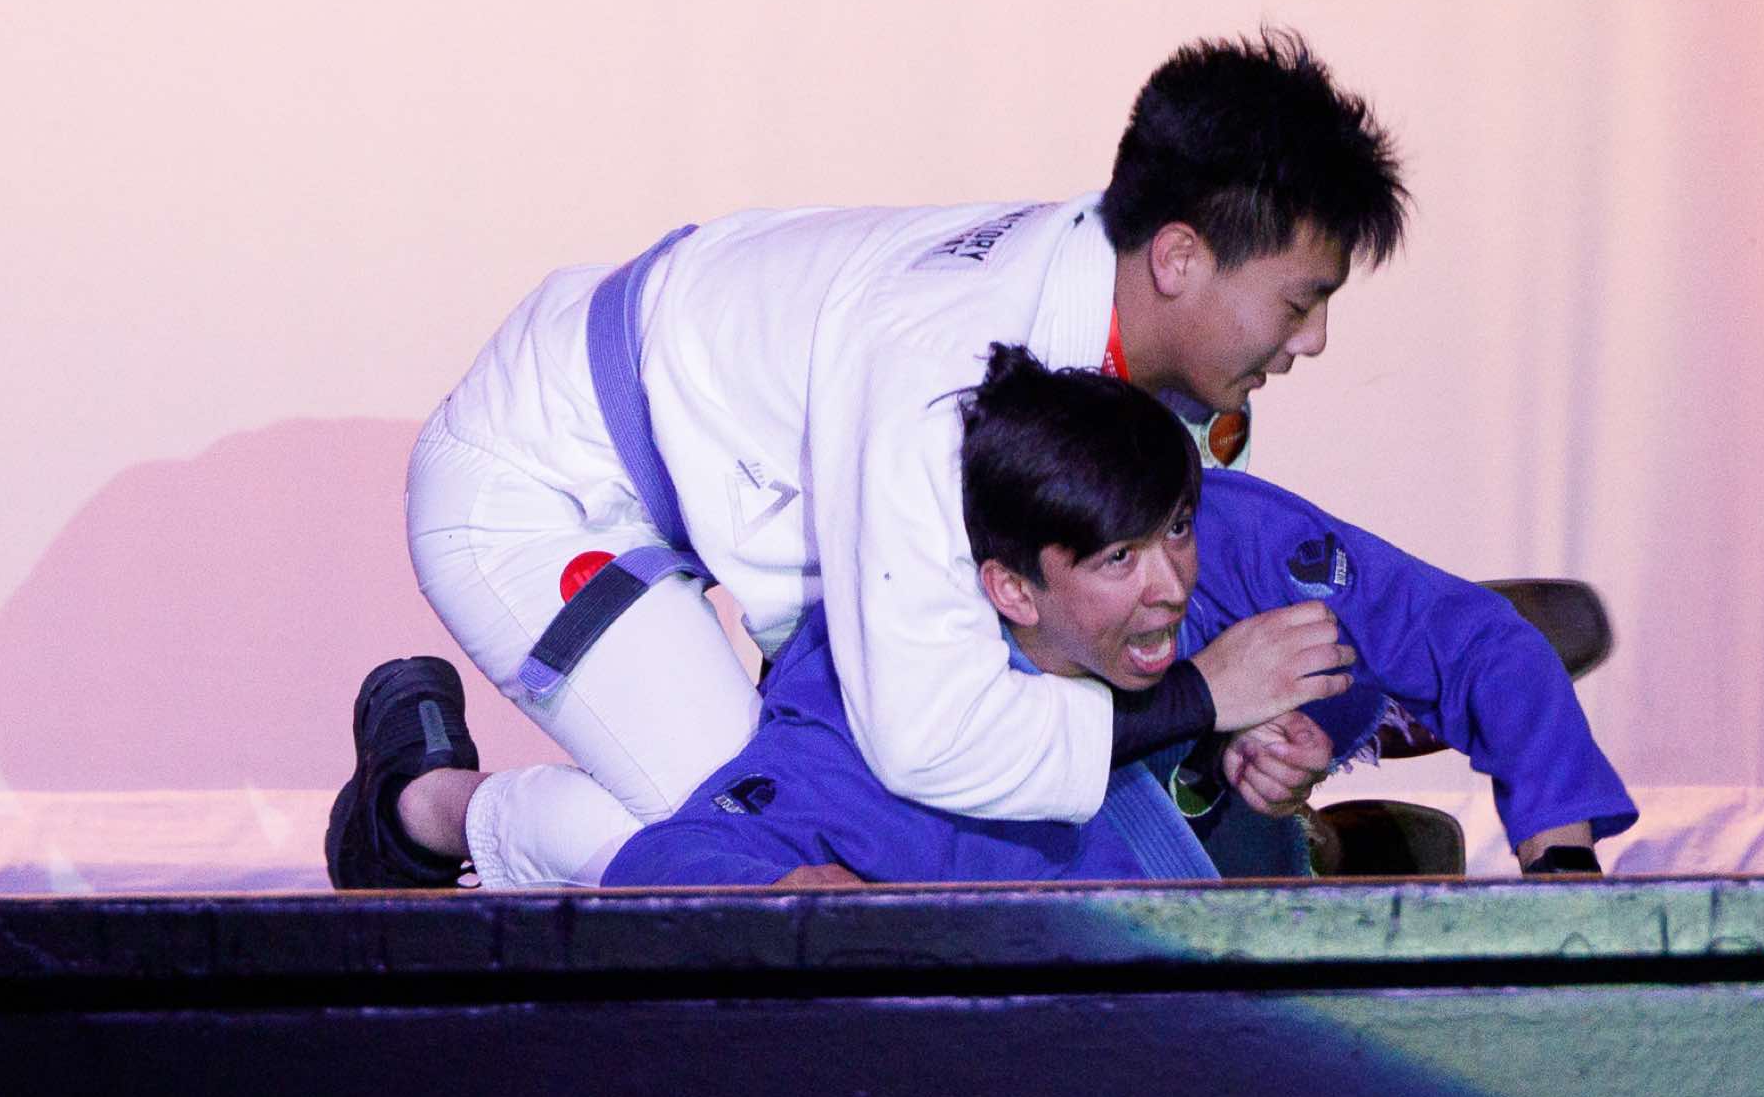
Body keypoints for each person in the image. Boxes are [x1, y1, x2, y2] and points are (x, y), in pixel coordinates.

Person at [328, 29, 1409, 888]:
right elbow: (926, 737)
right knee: (742, 855)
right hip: (541, 485)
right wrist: (1200, 701)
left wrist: (1260, 730)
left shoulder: (1132, 336)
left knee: (858, 830)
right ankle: (421, 811)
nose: (1314, 339)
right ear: (1178, 256)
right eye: (1300, 302)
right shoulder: (949, 374)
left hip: (705, 467)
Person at [602, 347, 1637, 887]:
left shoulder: (1225, 536)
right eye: (1116, 560)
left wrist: (1563, 868)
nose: (1167, 581)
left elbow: (1483, 645)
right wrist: (793, 891)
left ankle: (1344, 743)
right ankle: (1320, 842)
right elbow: (668, 859)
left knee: (1397, 653)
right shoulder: (863, 705)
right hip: (1163, 898)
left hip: (1268, 692)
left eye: (1172, 532)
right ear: (1012, 588)